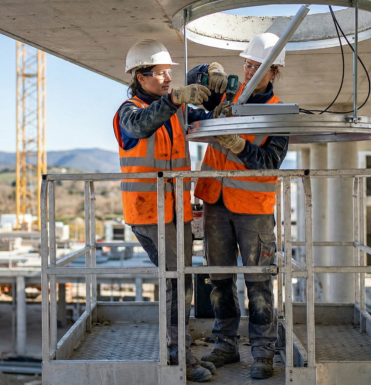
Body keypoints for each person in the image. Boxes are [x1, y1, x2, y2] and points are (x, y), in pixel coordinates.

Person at [114, 39, 221, 382]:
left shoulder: (175, 110)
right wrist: (175, 99)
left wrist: (209, 74)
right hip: (149, 214)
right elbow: (142, 125)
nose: (166, 79)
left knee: (181, 282)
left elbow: (201, 99)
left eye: (168, 73)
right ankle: (179, 361)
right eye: (159, 73)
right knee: (176, 284)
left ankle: (180, 352)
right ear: (139, 77)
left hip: (178, 213)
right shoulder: (127, 111)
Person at [188, 33, 290, 380]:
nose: (247, 71)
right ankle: (226, 345)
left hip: (254, 209)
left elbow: (270, 160)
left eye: (255, 66)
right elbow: (192, 83)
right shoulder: (227, 95)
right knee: (219, 279)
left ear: (273, 71)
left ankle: (263, 353)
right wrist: (209, 70)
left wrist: (239, 146)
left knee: (259, 283)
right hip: (215, 201)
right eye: (245, 64)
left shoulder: (278, 112)